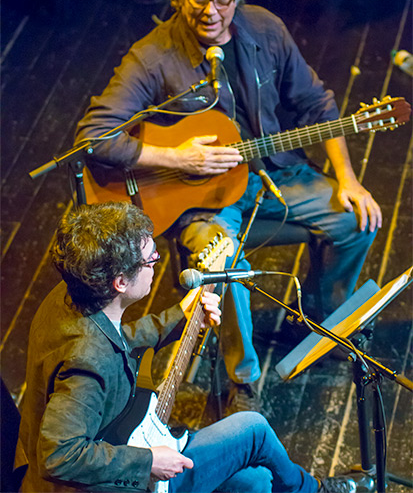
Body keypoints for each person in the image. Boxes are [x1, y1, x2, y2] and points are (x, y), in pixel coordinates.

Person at [75, 0, 382, 414]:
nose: (213, 11)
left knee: (355, 220)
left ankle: (320, 320)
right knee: (223, 265)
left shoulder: (266, 29)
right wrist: (177, 159)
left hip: (268, 176)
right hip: (201, 202)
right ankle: (243, 383)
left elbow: (319, 103)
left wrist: (348, 178)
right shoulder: (152, 57)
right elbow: (93, 137)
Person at [15, 201, 359, 493]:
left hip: (114, 438)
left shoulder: (68, 296)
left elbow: (115, 340)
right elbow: (59, 455)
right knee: (253, 429)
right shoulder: (87, 363)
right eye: (150, 261)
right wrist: (149, 461)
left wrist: (179, 315)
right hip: (112, 482)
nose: (156, 265)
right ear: (120, 282)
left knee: (256, 483)